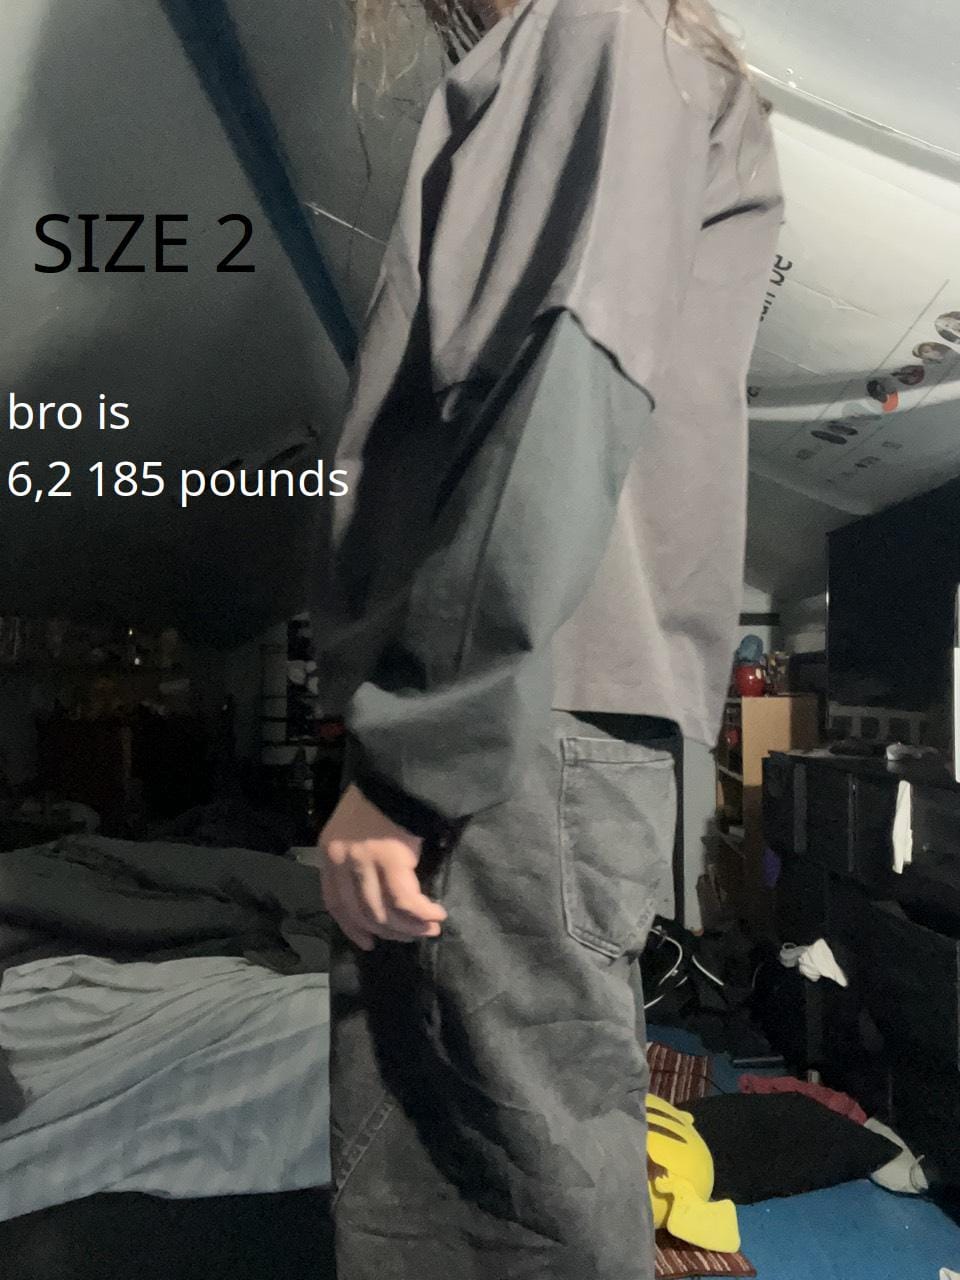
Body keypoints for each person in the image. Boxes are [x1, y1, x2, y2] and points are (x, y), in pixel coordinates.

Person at [313, 0, 783, 1277]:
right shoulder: (623, 46)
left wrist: (411, 758)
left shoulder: (597, 27)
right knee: (486, 1178)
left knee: (492, 1205)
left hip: (513, 728)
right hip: (537, 720)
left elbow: (555, 395)